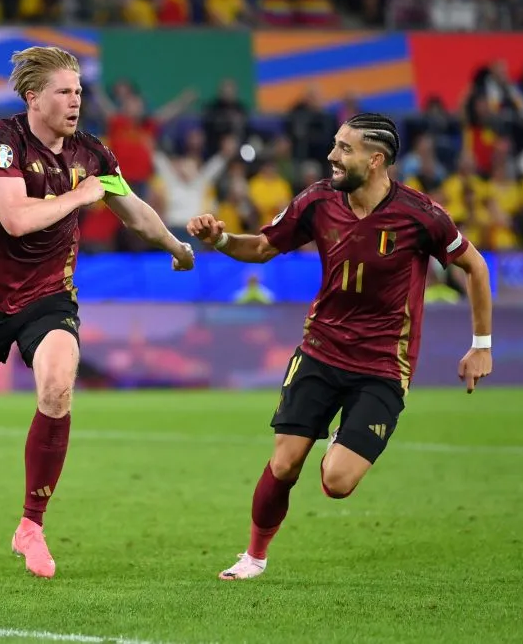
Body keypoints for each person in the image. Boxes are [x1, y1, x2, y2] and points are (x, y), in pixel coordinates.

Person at [0, 46, 196, 578]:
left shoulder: (92, 153)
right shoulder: (0, 142)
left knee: (59, 385)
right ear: (33, 98)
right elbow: (17, 219)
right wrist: (80, 197)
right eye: (65, 92)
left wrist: (174, 246)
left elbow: (131, 209)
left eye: (79, 92)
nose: (75, 101)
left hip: (48, 296)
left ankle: (31, 526)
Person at [186, 113, 493, 580]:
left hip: (383, 364)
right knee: (285, 462)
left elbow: (476, 267)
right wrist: (221, 239)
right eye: (334, 144)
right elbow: (263, 247)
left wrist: (482, 345)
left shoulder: (421, 215)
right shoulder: (317, 200)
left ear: (375, 160)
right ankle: (253, 556)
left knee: (336, 482)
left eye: (344, 149)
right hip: (321, 350)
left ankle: (339, 442)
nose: (332, 155)